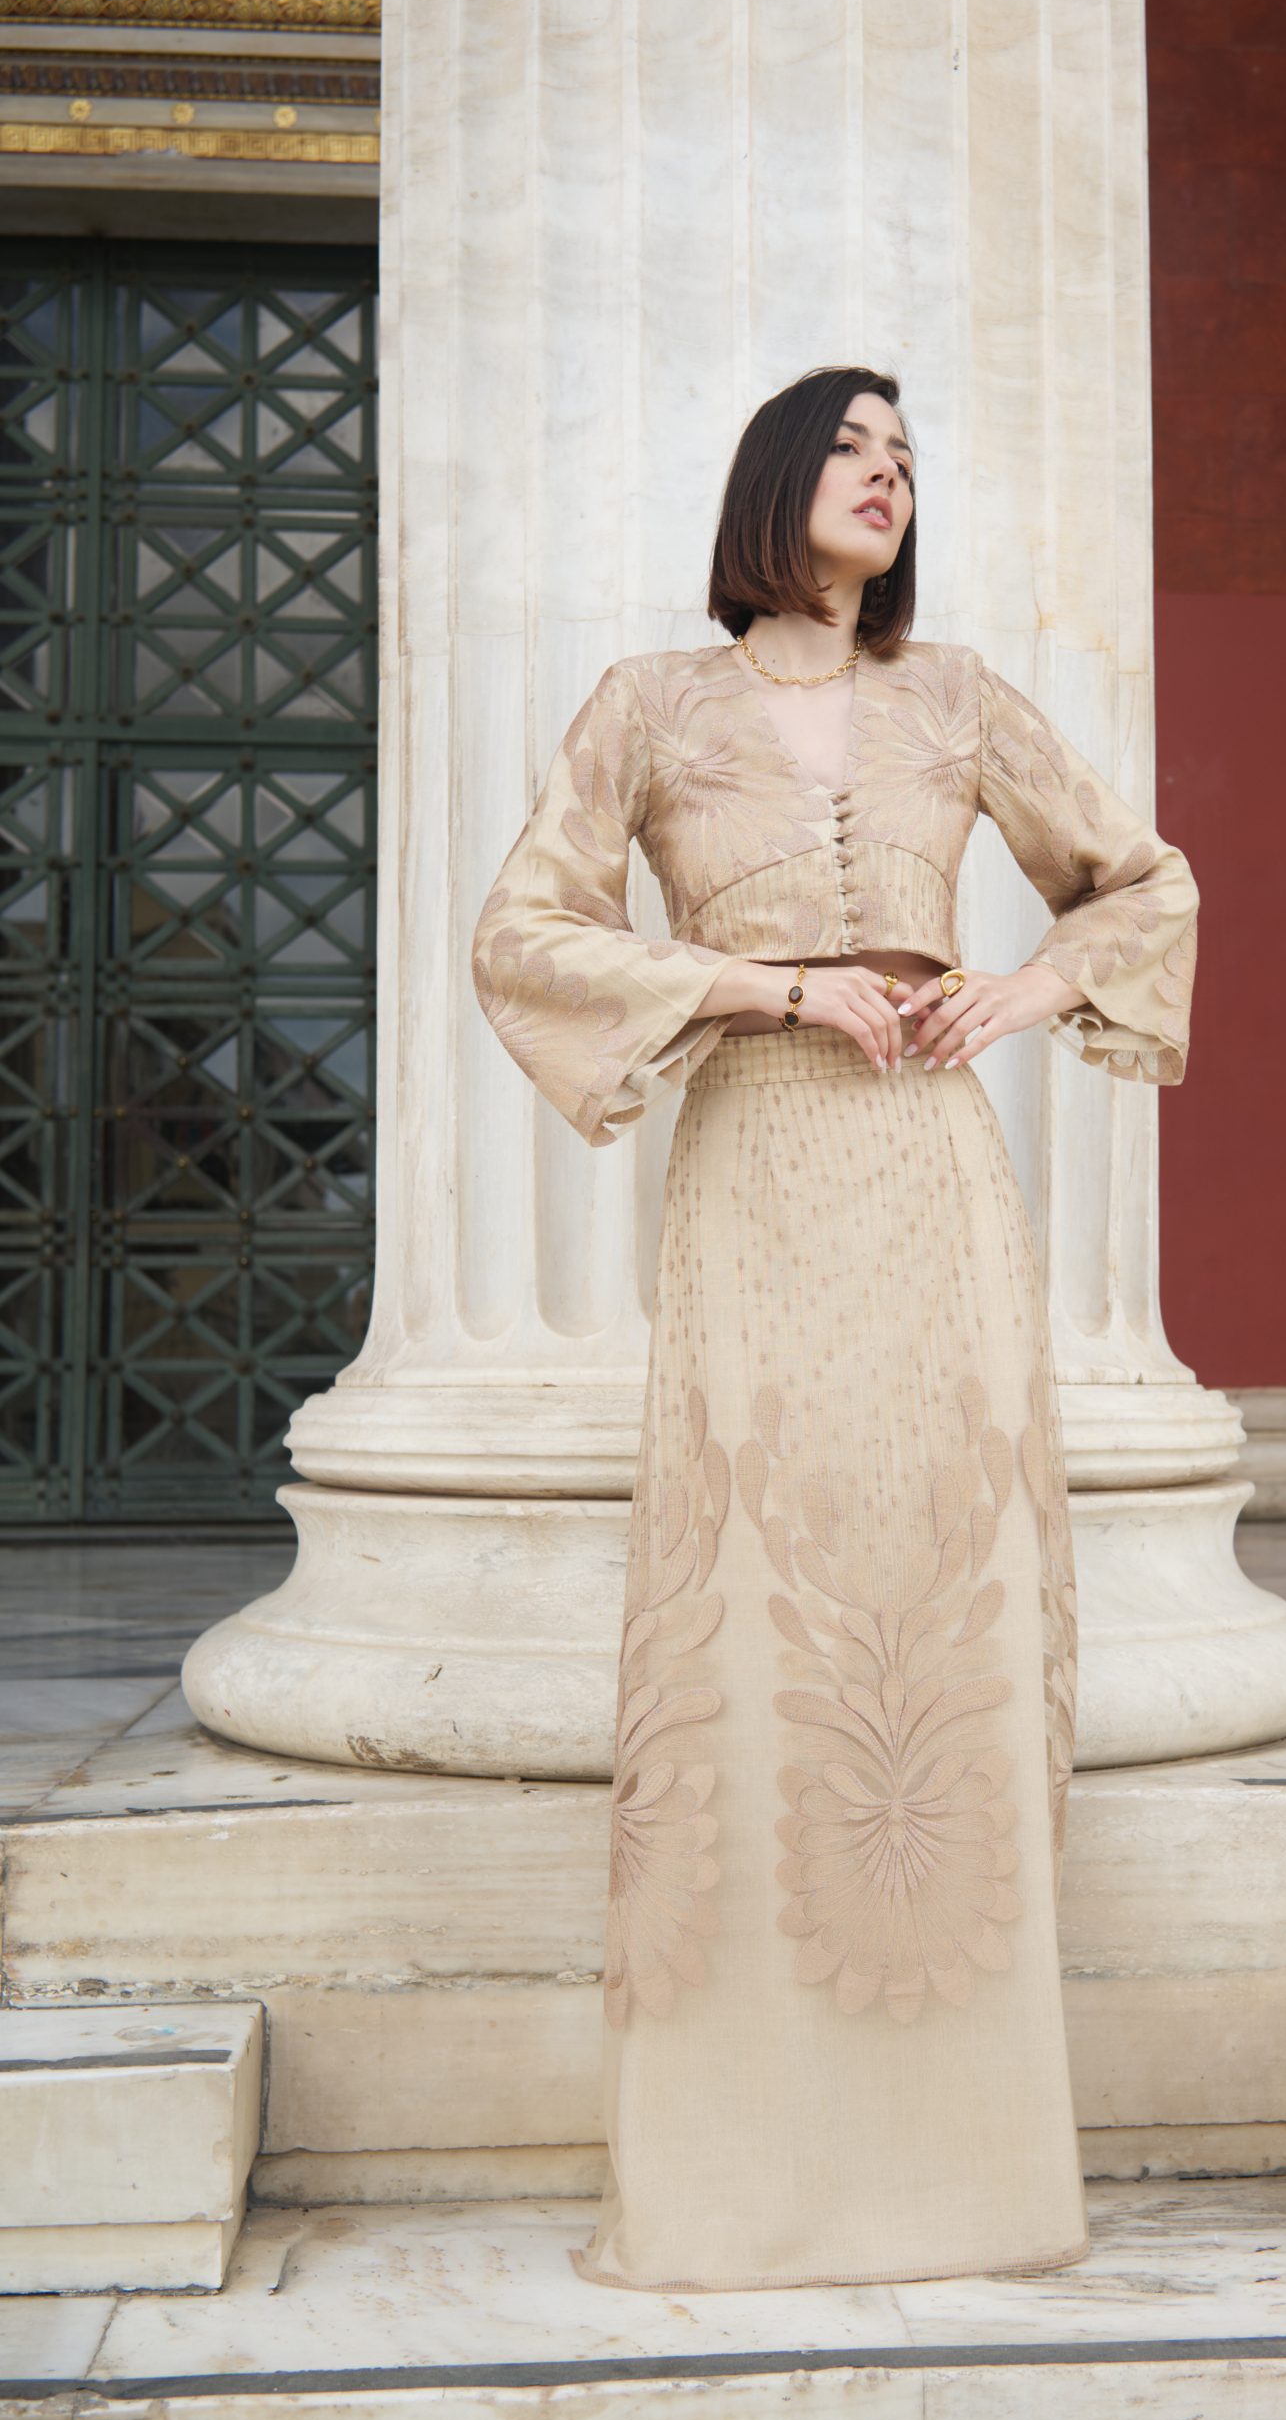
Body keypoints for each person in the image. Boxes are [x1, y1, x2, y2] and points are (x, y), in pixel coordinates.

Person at [470, 363, 1199, 2291]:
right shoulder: (648, 705)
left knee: (948, 1601)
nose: (885, 476)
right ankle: (737, 2175)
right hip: (760, 1170)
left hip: (932, 1177)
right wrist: (767, 989)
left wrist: (1025, 991)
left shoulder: (956, 697)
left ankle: (965, 2171)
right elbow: (523, 935)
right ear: (776, 478)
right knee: (746, 1615)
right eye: (852, 448)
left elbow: (1141, 882)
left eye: (906, 458)